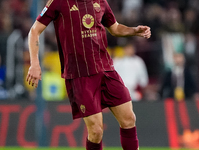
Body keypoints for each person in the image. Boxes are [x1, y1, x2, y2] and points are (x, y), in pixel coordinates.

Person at [26, 0, 151, 149]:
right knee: (96, 131)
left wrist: (134, 31)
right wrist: (34, 64)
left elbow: (115, 28)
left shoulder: (100, 2)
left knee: (129, 119)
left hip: (106, 70)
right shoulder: (58, 2)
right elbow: (34, 31)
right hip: (80, 75)